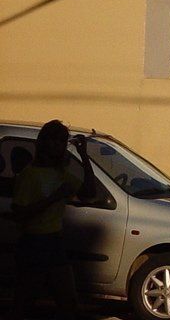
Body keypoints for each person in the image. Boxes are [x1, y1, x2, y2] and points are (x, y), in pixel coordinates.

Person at [9, 120, 100, 319]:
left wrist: (84, 156)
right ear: (44, 143)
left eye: (62, 141)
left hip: (54, 242)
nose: (57, 146)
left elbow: (89, 193)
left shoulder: (61, 174)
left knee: (69, 302)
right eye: (54, 140)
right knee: (24, 302)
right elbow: (19, 213)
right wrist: (54, 198)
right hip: (33, 244)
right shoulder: (29, 175)